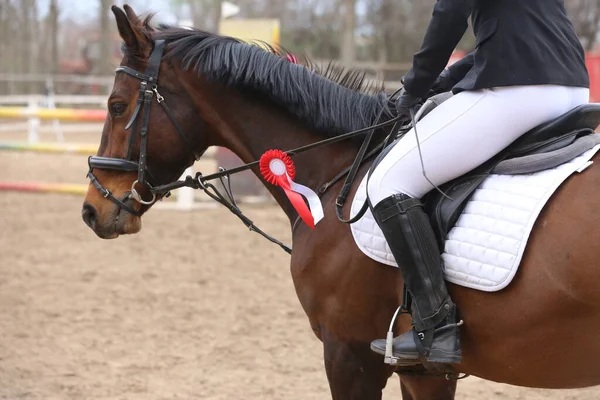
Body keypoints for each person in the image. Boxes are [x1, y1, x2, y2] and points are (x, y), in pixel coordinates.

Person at [368, 0, 590, 365]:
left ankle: (436, 328)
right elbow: (515, 32)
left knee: (389, 182)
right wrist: (445, 80)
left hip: (517, 91)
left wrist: (415, 86)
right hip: (571, 88)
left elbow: (450, 13)